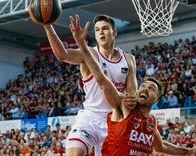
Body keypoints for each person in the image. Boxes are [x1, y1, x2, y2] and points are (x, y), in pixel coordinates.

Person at [70, 16, 196, 156]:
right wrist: (83, 46)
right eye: (143, 86)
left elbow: (161, 146)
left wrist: (188, 151)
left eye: (151, 88)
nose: (145, 88)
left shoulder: (150, 122)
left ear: (156, 99)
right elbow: (102, 81)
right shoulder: (123, 107)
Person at [43, 14, 137, 156]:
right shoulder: (88, 53)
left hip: (115, 121)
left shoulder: (128, 59)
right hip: (90, 118)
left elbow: (131, 95)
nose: (101, 32)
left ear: (114, 32)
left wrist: (130, 102)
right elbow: (63, 55)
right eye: (97, 29)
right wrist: (48, 26)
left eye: (105, 28)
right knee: (74, 153)